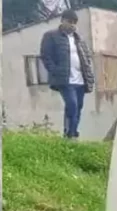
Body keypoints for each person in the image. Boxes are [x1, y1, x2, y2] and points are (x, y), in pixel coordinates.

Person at [39, 10, 95, 139]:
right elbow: (45, 56)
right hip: (65, 79)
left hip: (81, 79)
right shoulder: (51, 36)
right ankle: (69, 134)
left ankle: (72, 133)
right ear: (62, 20)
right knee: (72, 105)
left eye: (74, 23)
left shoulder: (79, 39)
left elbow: (86, 58)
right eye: (70, 22)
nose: (72, 25)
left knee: (78, 107)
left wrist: (89, 76)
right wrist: (55, 70)